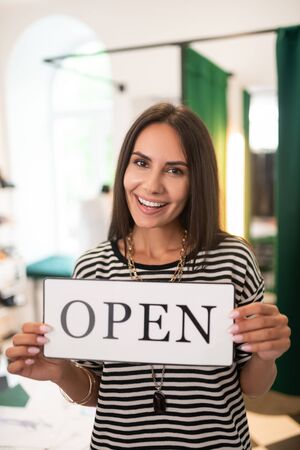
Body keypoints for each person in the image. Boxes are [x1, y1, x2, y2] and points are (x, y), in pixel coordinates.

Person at [6, 103, 291, 450]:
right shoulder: (93, 267)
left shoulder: (232, 259)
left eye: (174, 171)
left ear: (196, 180)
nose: (151, 185)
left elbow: (252, 386)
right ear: (124, 166)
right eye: (141, 163)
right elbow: (96, 393)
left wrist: (266, 354)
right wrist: (61, 372)